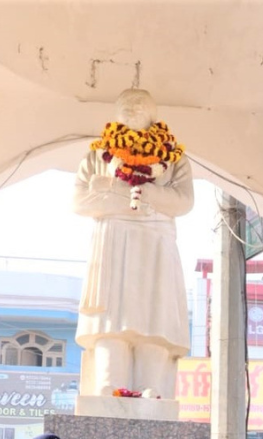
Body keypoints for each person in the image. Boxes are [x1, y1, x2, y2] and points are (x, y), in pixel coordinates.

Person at [73, 87, 194, 398]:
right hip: (112, 241)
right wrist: (124, 195)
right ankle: (109, 384)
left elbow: (183, 201)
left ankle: (150, 386)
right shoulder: (97, 155)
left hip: (156, 243)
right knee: (111, 319)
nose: (132, 108)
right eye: (125, 103)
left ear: (153, 113)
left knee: (156, 317)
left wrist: (145, 193)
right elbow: (80, 200)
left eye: (139, 103)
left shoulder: (173, 158)